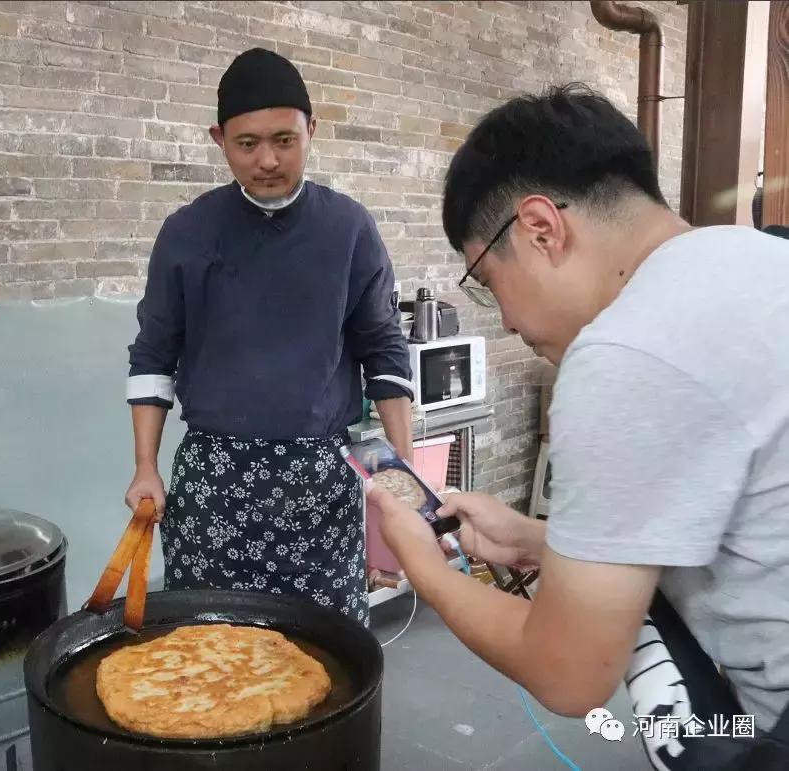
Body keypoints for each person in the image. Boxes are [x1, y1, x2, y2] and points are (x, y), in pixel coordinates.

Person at [367, 83, 789, 744]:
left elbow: (568, 671)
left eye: (485, 279)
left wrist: (423, 563)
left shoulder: (626, 349)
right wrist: (542, 545)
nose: (505, 319)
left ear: (540, 228)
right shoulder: (761, 261)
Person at [125, 48, 413, 627]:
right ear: (219, 139)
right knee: (213, 656)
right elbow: (154, 356)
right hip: (214, 481)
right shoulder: (186, 234)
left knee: (327, 656)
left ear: (313, 129)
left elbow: (383, 350)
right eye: (247, 143)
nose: (267, 160)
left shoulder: (349, 230)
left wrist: (400, 469)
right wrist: (145, 466)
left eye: (285, 139)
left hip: (321, 480)